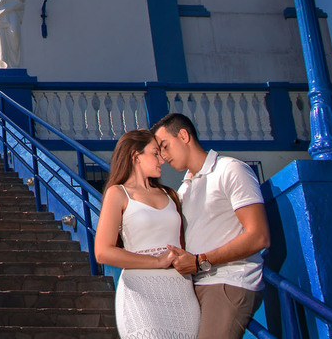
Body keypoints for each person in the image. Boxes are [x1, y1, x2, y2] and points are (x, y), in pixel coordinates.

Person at [152, 113, 270, 339]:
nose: (164, 156)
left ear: (184, 135)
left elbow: (259, 236)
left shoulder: (230, 169)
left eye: (165, 146)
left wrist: (199, 261)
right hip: (195, 285)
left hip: (228, 281)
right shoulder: (184, 189)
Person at [94, 128, 200, 339]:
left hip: (181, 291)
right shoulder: (118, 193)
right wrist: (157, 262)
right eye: (155, 153)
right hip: (140, 290)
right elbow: (102, 252)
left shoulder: (171, 194)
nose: (162, 159)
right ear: (136, 155)